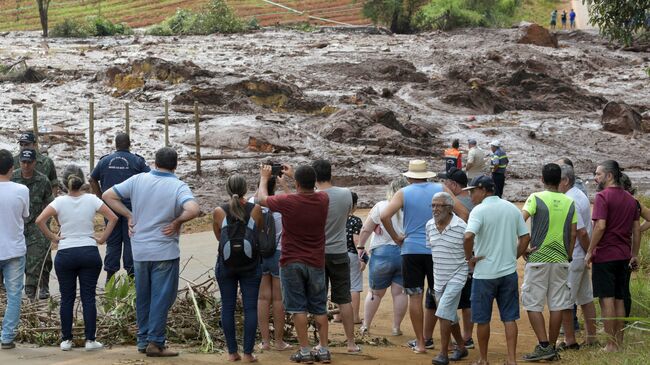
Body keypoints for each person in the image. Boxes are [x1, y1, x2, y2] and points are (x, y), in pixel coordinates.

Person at [102, 147, 200, 357]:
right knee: (162, 297)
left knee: (144, 296)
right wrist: (177, 221)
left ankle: (143, 340)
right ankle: (155, 342)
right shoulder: (177, 186)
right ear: (175, 165)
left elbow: (107, 195)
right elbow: (193, 209)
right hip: (164, 250)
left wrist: (129, 215)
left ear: (155, 163)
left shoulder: (138, 180)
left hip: (140, 250)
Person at [36, 166, 118, 351]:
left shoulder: (59, 202)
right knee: (88, 297)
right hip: (89, 252)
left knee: (67, 298)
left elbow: (39, 220)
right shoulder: (91, 199)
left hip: (66, 253)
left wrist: (53, 237)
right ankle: (90, 340)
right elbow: (113, 218)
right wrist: (102, 238)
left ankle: (66, 340)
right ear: (83, 182)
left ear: (64, 184)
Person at [256, 163, 332, 363]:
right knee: (319, 307)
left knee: (298, 307)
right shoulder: (323, 199)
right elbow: (308, 193)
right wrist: (292, 179)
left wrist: (264, 178)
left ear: (297, 183)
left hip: (291, 260)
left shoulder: (287, 202)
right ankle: (323, 350)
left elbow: (261, 199)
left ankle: (305, 350)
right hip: (316, 260)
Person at [463, 175, 530, 365]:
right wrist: (513, 256)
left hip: (484, 273)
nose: (471, 196)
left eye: (473, 191)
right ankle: (511, 359)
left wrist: (469, 258)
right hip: (508, 272)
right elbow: (525, 238)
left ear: (484, 190)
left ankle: (483, 359)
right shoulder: (511, 208)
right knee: (509, 318)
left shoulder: (479, 211)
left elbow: (468, 237)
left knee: (482, 319)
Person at [380, 160, 444, 353]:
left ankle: (421, 343)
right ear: (427, 174)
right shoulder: (440, 189)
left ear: (409, 177)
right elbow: (462, 212)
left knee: (415, 297)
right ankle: (436, 338)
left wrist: (397, 237)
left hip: (411, 250)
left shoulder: (403, 192)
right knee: (437, 295)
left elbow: (384, 216)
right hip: (436, 250)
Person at [520, 163, 577, 362]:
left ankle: (544, 345)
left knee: (533, 303)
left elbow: (520, 220)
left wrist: (524, 247)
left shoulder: (535, 198)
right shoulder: (569, 202)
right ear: (560, 179)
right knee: (557, 305)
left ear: (542, 179)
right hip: (561, 259)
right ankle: (551, 346)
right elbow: (573, 232)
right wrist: (568, 255)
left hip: (538, 258)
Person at [585, 160, 640, 353]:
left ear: (609, 176)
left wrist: (590, 251)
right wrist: (635, 254)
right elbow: (636, 228)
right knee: (619, 299)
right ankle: (618, 343)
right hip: (623, 256)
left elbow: (600, 226)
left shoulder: (602, 196)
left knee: (606, 299)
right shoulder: (630, 199)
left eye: (598, 174)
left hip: (606, 255)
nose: (595, 177)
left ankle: (610, 344)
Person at [213, 174, 263, 362]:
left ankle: (232, 352)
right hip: (251, 264)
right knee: (250, 308)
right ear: (245, 189)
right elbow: (257, 233)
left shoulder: (219, 211)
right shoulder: (255, 209)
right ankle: (249, 353)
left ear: (227, 189)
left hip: (226, 265)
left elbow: (219, 237)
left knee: (228, 306)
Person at [312, 159, 359, 353]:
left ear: (314, 177)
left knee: (319, 299)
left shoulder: (313, 197)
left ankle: (323, 343)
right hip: (340, 251)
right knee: (344, 298)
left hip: (318, 253)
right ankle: (351, 343)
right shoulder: (346, 194)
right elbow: (348, 213)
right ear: (330, 173)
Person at [90, 132, 150, 282]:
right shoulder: (137, 161)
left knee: (112, 243)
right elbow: (150, 180)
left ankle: (110, 282)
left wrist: (101, 198)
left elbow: (92, 179)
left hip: (111, 209)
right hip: (132, 209)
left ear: (115, 145)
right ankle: (131, 282)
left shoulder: (105, 161)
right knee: (131, 242)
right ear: (130, 144)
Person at [358, 178, 409, 337]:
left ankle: (366, 325)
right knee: (400, 293)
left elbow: (366, 229)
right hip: (405, 252)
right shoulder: (411, 208)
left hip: (381, 253)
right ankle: (396, 328)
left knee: (375, 293)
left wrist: (361, 247)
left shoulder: (381, 206)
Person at [558, 164, 598, 349]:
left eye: (557, 180)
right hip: (581, 255)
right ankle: (591, 336)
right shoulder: (579, 194)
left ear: (565, 181)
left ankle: (570, 340)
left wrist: (588, 253)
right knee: (585, 297)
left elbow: (581, 232)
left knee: (566, 300)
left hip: (575, 255)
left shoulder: (570, 199)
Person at [427, 192, 469, 365]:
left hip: (457, 275)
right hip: (439, 278)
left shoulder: (461, 226)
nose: (435, 209)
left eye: (439, 205)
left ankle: (443, 353)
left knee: (443, 312)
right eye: (433, 205)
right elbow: (432, 249)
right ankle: (461, 346)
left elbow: (471, 248)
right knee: (450, 315)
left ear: (450, 208)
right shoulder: (429, 225)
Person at [437, 167, 475, 349]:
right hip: (471, 255)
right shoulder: (473, 201)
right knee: (467, 300)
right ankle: (467, 336)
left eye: (446, 182)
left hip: (457, 258)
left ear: (453, 184)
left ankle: (461, 340)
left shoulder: (456, 204)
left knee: (450, 301)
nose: (444, 185)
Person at [11, 149, 53, 301]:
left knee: (34, 259)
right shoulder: (12, 178)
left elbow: (50, 203)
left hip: (35, 226)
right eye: (23, 162)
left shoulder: (43, 181)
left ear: (35, 162)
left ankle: (30, 293)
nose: (26, 165)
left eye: (29, 162)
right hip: (16, 224)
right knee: (13, 259)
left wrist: (48, 222)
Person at [255, 173, 291, 352]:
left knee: (262, 298)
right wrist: (284, 185)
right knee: (278, 299)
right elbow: (295, 200)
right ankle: (279, 341)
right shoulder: (282, 201)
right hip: (279, 252)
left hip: (259, 253)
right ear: (275, 185)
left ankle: (264, 341)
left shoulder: (252, 201)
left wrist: (263, 178)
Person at [0, 149, 29, 350]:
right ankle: (7, 336)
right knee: (14, 295)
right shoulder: (22, 190)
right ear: (13, 168)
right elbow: (25, 215)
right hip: (14, 250)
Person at [620, 173, 650, 317]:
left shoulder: (628, 201)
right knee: (625, 286)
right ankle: (623, 320)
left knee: (620, 288)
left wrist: (637, 230)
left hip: (620, 247)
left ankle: (619, 320)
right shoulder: (634, 201)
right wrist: (636, 231)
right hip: (629, 247)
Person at [344, 192, 366, 325]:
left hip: (335, 254)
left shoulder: (335, 217)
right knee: (354, 286)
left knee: (339, 285)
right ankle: (354, 317)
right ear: (354, 206)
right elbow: (356, 240)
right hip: (351, 254)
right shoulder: (355, 220)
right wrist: (362, 258)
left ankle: (337, 316)